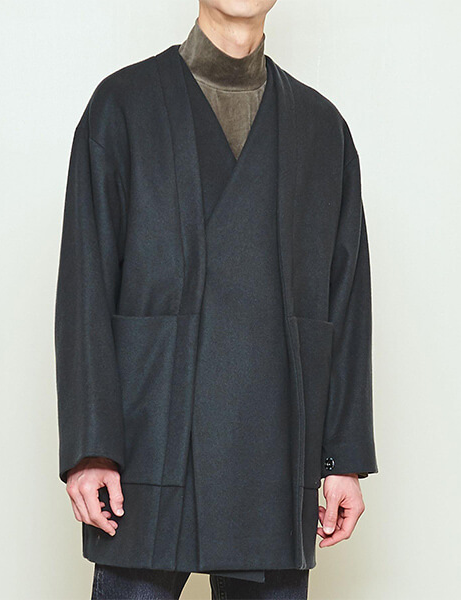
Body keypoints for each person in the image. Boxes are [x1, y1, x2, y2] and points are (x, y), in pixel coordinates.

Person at [54, 1, 379, 598]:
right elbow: (85, 284)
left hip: (275, 450)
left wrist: (343, 458)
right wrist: (90, 448)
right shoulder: (121, 107)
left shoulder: (322, 128)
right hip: (149, 444)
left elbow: (347, 299)